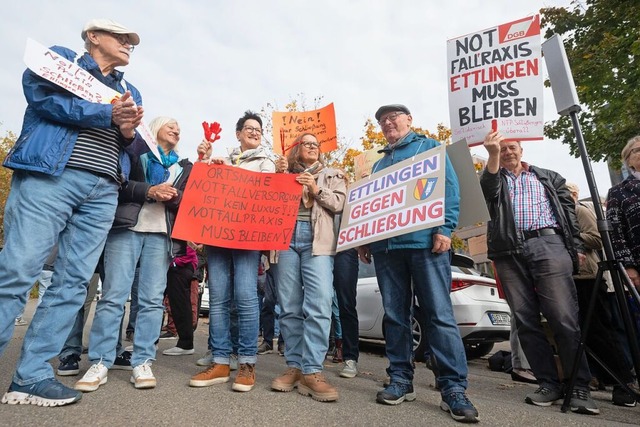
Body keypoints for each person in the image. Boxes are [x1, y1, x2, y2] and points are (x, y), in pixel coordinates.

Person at [0, 18, 145, 407]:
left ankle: (30, 376)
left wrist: (129, 135)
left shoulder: (129, 89)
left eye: (132, 41)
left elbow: (132, 150)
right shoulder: (64, 61)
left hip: (102, 191)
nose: (129, 43)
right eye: (121, 37)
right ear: (93, 37)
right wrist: (106, 115)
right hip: (53, 176)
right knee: (17, 271)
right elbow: (41, 97)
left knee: (72, 283)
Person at [356, 104, 477, 423]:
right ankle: (400, 379)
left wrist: (445, 227)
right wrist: (365, 237)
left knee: (439, 314)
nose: (386, 122)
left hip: (425, 244)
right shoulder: (379, 164)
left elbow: (450, 189)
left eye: (393, 117)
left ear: (409, 120)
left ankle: (453, 388)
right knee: (395, 316)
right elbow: (372, 206)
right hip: (386, 250)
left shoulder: (431, 148)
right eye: (381, 119)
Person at [480, 130, 598, 415]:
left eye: (512, 147)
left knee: (563, 317)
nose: (507, 151)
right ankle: (548, 383)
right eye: (502, 148)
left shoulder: (548, 177)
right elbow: (487, 193)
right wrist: (491, 154)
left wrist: (576, 247)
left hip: (549, 243)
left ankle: (579, 385)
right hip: (509, 251)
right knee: (525, 320)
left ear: (522, 149)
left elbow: (568, 214)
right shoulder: (492, 176)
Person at [75, 116, 192, 391]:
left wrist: (173, 196)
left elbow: (189, 200)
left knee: (151, 300)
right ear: (155, 129)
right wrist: (149, 190)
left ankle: (142, 361)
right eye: (170, 124)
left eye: (179, 127)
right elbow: (117, 184)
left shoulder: (183, 166)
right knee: (114, 296)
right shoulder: (134, 153)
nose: (176, 129)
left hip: (160, 236)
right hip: (126, 229)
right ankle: (101, 361)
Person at [190, 110, 287, 392]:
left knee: (245, 298)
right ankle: (220, 360)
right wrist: (207, 162)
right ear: (238, 133)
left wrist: (280, 172)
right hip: (219, 238)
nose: (254, 131)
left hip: (248, 239)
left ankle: (246, 362)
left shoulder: (267, 162)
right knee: (219, 299)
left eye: (258, 129)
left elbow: (270, 192)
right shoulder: (223, 159)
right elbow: (204, 190)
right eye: (249, 127)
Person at [269, 132, 346, 402]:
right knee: (289, 305)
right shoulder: (284, 171)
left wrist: (315, 189)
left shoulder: (332, 174)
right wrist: (278, 177)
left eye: (316, 144)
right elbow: (268, 203)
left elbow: (340, 203)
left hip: (318, 242)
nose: (312, 147)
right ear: (297, 149)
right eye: (306, 144)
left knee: (321, 303)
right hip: (285, 239)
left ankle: (312, 369)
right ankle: (295, 367)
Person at [567, 182, 637, 406]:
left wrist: (570, 236)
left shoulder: (579, 210)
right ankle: (601, 377)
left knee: (600, 329)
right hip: (568, 277)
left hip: (588, 277)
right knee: (581, 332)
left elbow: (597, 238)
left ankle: (624, 381)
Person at [607, 135, 640, 290]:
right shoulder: (618, 192)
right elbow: (615, 233)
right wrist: (628, 266)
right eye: (638, 150)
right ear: (629, 160)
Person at [162, 242, 199, 356]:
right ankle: (147, 342)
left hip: (180, 263)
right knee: (154, 301)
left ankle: (186, 343)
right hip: (175, 261)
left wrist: (176, 262)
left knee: (180, 303)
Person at [333, 247, 360, 378]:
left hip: (346, 246)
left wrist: (360, 244)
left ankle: (350, 358)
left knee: (346, 305)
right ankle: (311, 360)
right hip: (320, 244)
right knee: (316, 302)